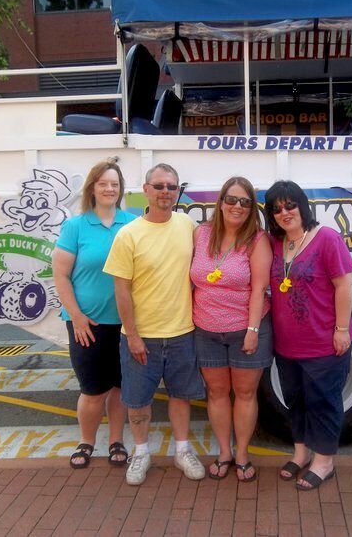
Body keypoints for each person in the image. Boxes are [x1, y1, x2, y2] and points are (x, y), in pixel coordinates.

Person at [103, 163, 206, 486]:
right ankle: (142, 452)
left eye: (172, 187)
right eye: (159, 186)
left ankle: (182, 450)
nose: (165, 192)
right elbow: (121, 290)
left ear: (178, 192)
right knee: (137, 401)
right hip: (141, 336)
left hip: (182, 332)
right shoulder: (128, 234)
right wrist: (132, 335)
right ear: (145, 190)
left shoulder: (186, 224)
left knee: (180, 396)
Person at [264, 180, 352, 491]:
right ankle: (301, 452)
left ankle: (324, 460)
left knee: (324, 402)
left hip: (323, 342)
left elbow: (344, 285)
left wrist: (341, 330)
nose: (284, 212)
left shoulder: (327, 238)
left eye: (289, 205)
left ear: (302, 205)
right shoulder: (276, 244)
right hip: (287, 345)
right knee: (296, 401)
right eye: (276, 209)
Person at [52, 160, 137, 469]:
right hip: (86, 324)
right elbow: (60, 275)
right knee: (92, 390)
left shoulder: (131, 223)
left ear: (120, 189)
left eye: (114, 184)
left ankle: (116, 440)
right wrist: (76, 316)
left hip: (124, 324)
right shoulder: (76, 226)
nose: (109, 189)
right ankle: (86, 441)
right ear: (92, 188)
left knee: (118, 387)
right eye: (103, 183)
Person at [190, 176, 273, 482]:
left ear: (252, 208)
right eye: (231, 199)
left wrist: (252, 329)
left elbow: (259, 288)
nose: (237, 206)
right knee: (217, 392)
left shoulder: (257, 239)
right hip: (205, 329)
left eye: (245, 202)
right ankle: (225, 451)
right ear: (221, 202)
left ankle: (242, 455)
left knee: (246, 392)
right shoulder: (201, 233)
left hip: (244, 328)